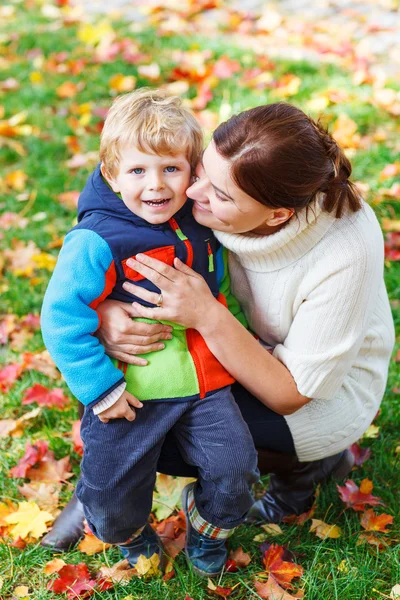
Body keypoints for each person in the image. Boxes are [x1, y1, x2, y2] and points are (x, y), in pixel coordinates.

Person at [41, 102, 394, 551]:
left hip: (308, 393)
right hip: (221, 339)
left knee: (167, 425)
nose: (190, 192)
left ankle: (310, 465)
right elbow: (113, 186)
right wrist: (109, 307)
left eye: (220, 195)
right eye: (200, 170)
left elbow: (292, 393)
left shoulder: (344, 251)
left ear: (277, 215)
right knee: (116, 371)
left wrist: (207, 314)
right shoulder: (227, 167)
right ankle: (97, 497)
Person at [40, 88, 259, 577]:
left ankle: (205, 526)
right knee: (110, 492)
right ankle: (129, 534)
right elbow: (60, 318)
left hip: (203, 384)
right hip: (130, 390)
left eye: (171, 169)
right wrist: (102, 389)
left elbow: (219, 291)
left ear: (193, 172)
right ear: (112, 176)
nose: (156, 185)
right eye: (138, 170)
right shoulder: (98, 239)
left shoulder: (199, 223)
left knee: (236, 470)